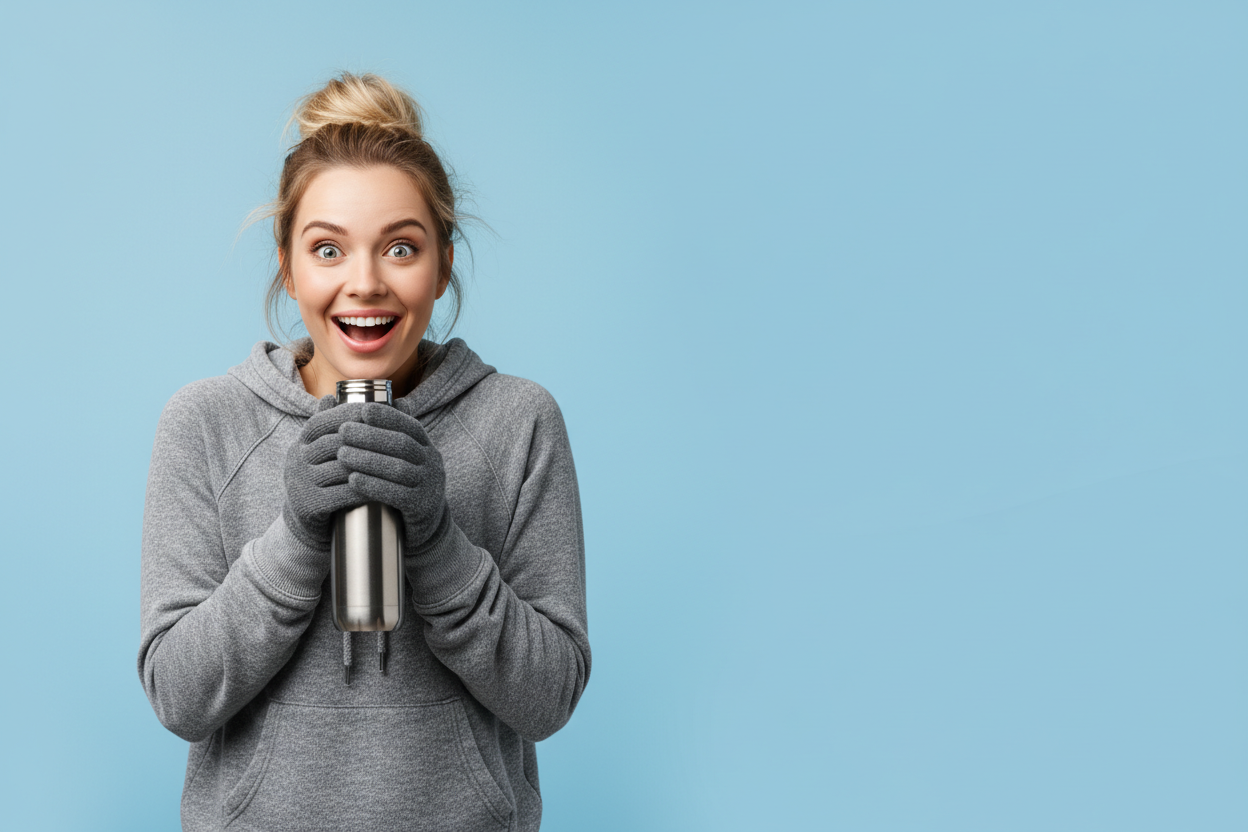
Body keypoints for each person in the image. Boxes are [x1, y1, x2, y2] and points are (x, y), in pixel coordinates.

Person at [138, 72, 590, 832]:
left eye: (401, 248)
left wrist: (439, 541)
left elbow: (548, 700)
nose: (365, 284)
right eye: (327, 249)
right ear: (287, 264)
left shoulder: (518, 422)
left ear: (444, 264)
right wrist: (294, 537)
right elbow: (179, 697)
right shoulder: (205, 423)